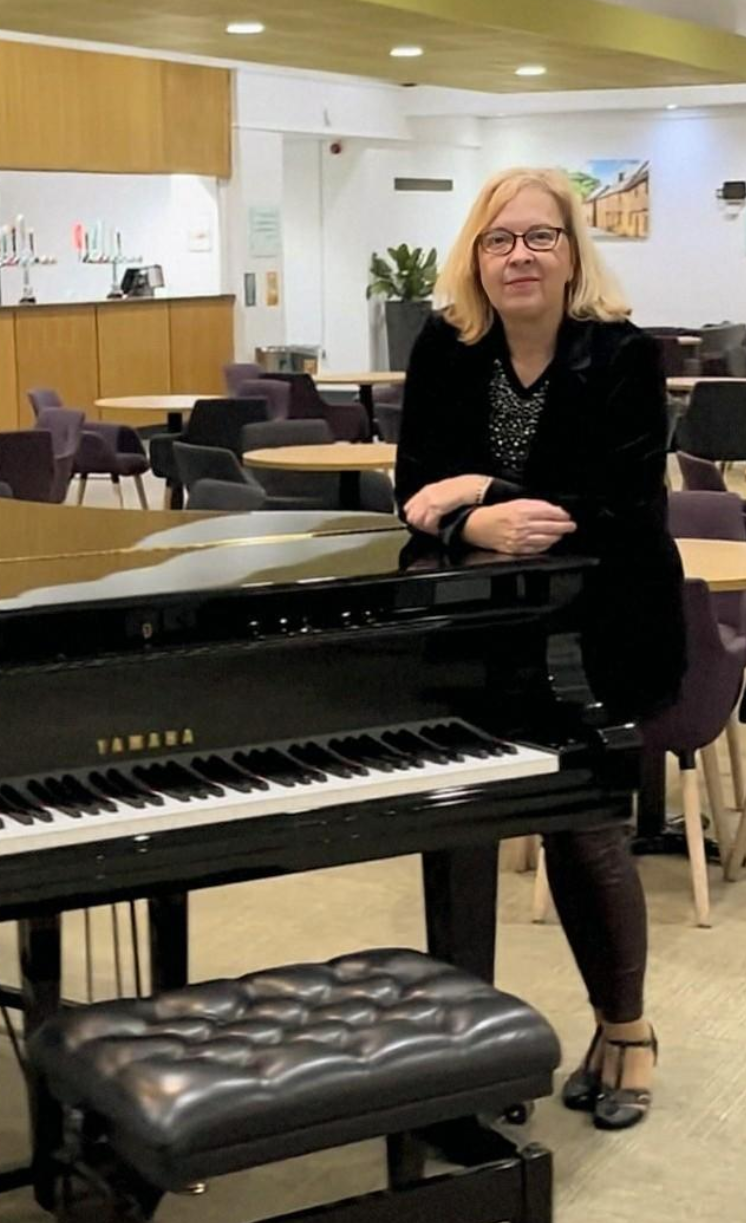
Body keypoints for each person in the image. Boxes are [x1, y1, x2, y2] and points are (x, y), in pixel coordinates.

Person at [395, 166, 686, 1131]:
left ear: (571, 253)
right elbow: (413, 490)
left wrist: (476, 484)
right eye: (498, 239)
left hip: (606, 626)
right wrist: (474, 522)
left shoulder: (622, 355)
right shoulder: (445, 348)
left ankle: (626, 1028)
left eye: (539, 237)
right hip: (479, 632)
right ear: (474, 258)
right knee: (460, 827)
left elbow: (616, 508)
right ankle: (461, 1066)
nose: (518, 255)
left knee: (582, 828)